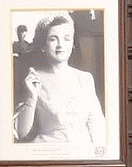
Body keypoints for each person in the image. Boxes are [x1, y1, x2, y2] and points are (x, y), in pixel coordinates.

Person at [13, 12, 105, 155]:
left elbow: (97, 124)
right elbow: (21, 132)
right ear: (43, 45)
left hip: (84, 154)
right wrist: (31, 96)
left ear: (72, 44)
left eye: (66, 39)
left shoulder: (85, 78)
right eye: (53, 39)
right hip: (49, 155)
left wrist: (100, 157)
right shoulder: (34, 79)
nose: (61, 45)